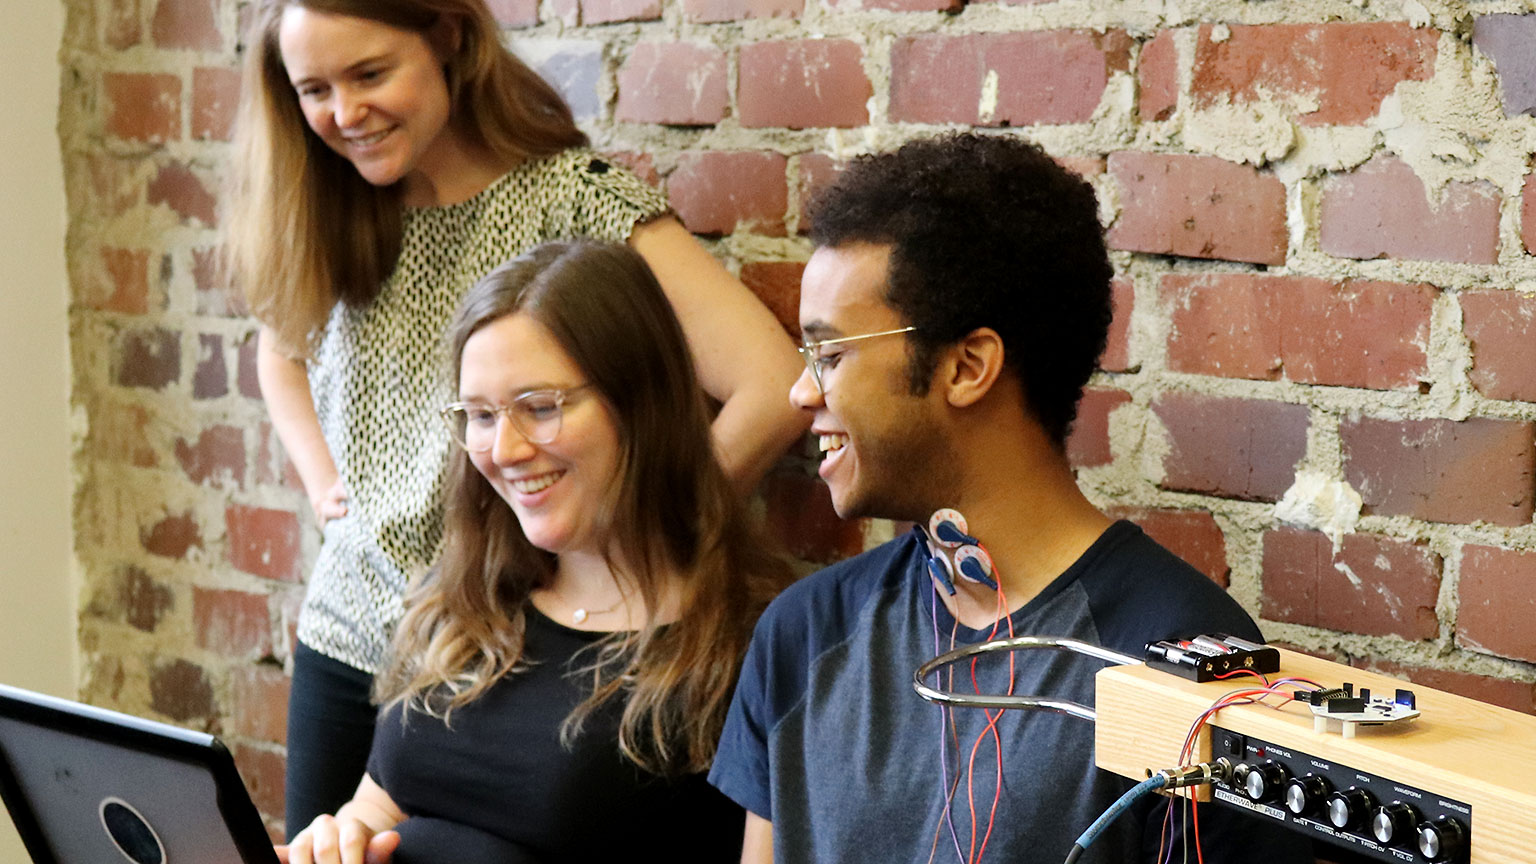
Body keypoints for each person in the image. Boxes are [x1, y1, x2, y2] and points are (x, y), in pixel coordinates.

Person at [223, 0, 806, 835]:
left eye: (370, 73)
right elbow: (277, 349)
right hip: (356, 632)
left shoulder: (574, 200)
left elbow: (773, 380)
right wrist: (324, 483)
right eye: (314, 89)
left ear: (450, 39)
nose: (344, 114)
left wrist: (638, 530)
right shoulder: (331, 202)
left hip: (513, 646)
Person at [707, 133, 1317, 864]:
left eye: (831, 355)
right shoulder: (803, 637)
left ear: (968, 366)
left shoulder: (1192, 666)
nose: (802, 392)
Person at [277, 241, 793, 864]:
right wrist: (341, 838)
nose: (505, 449)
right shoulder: (466, 596)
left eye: (540, 408)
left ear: (641, 403)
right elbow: (381, 805)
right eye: (481, 415)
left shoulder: (747, 646)